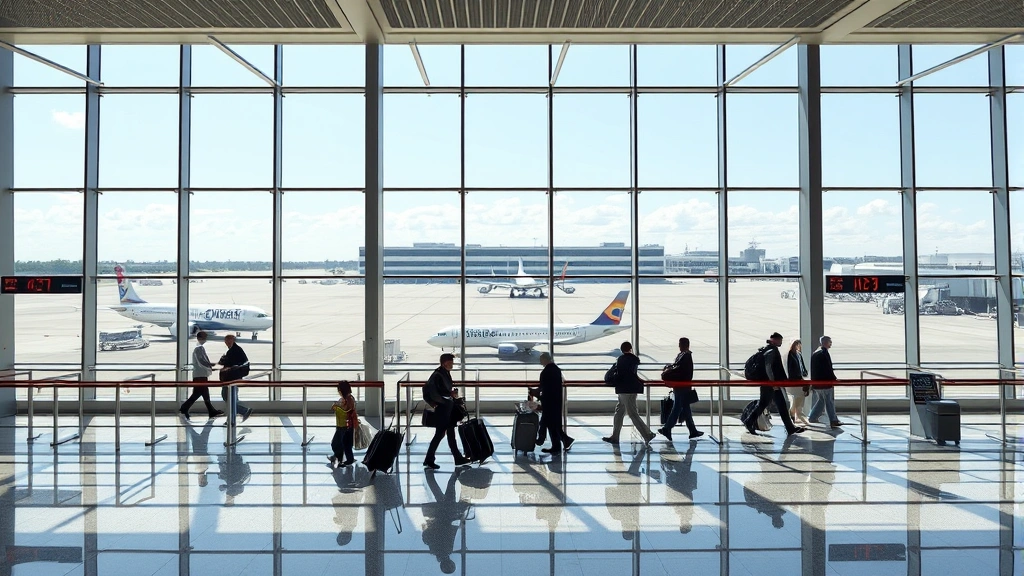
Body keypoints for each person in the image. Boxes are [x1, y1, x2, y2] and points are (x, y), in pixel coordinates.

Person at [741, 332, 805, 436]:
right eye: (779, 340)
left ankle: (789, 428)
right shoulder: (772, 351)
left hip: (769, 383)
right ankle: (749, 421)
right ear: (774, 340)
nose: (780, 342)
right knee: (777, 405)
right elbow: (768, 367)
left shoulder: (767, 349)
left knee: (769, 404)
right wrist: (772, 382)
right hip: (770, 383)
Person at [423, 353, 471, 469]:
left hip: (446, 408)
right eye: (451, 362)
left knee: (449, 433)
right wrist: (449, 395)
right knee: (441, 434)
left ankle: (456, 457)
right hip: (443, 409)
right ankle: (430, 459)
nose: (452, 364)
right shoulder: (438, 375)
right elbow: (436, 391)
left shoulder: (443, 373)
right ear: (445, 362)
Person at [603, 342, 656, 445]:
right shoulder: (634, 360)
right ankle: (615, 436)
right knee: (619, 411)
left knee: (632, 413)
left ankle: (647, 434)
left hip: (624, 389)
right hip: (631, 388)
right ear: (630, 349)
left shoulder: (621, 359)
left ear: (622, 350)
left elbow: (620, 374)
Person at [421, 468, 471, 574]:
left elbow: (449, 533)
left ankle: (455, 473)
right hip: (438, 517)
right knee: (439, 494)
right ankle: (430, 474)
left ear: (448, 564)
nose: (452, 563)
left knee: (450, 492)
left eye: (451, 565)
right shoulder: (435, 552)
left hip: (445, 516)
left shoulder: (446, 550)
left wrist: (458, 520)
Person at [658, 337, 704, 441]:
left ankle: (669, 428)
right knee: (683, 408)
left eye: (680, 344)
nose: (679, 346)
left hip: (680, 386)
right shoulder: (685, 355)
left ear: (684, 345)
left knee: (679, 407)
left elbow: (679, 369)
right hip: (683, 386)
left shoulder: (684, 356)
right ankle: (691, 431)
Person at [529, 352, 574, 454]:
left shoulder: (545, 372)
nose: (540, 362)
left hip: (549, 402)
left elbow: (543, 388)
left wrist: (534, 392)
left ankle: (552, 442)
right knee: (554, 424)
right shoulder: (557, 370)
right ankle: (557, 443)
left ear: (545, 359)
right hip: (556, 401)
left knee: (550, 424)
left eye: (541, 359)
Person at [178, 331, 225, 421]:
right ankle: (184, 407)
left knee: (204, 393)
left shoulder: (200, 348)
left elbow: (203, 361)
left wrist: (211, 365)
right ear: (200, 338)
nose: (206, 339)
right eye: (204, 337)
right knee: (198, 393)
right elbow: (201, 362)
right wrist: (211, 366)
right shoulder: (198, 349)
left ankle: (211, 410)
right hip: (200, 375)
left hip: (201, 374)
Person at [809, 336, 844, 429]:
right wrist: (833, 379)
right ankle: (833, 420)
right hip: (825, 382)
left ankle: (812, 417)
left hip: (817, 383)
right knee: (829, 401)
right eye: (830, 342)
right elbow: (827, 368)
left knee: (821, 400)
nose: (831, 344)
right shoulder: (824, 353)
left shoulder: (815, 353)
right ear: (825, 343)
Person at [218, 334, 252, 423]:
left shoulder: (234, 351)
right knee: (231, 398)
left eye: (229, 340)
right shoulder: (234, 350)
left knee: (227, 397)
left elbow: (232, 363)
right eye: (226, 341)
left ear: (233, 340)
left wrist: (224, 362)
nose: (227, 342)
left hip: (231, 378)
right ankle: (232, 418)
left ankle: (242, 412)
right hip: (233, 377)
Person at [329, 381, 359, 468]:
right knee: (343, 443)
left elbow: (347, 409)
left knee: (342, 443)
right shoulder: (345, 399)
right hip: (344, 425)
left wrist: (338, 406)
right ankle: (341, 458)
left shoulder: (349, 399)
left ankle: (344, 459)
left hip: (346, 425)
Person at [786, 339, 811, 426]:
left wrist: (804, 374)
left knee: (800, 398)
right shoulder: (790, 355)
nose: (797, 346)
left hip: (800, 379)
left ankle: (797, 415)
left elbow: (802, 366)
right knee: (795, 399)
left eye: (798, 344)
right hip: (794, 380)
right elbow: (790, 368)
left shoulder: (798, 354)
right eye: (795, 344)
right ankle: (794, 415)